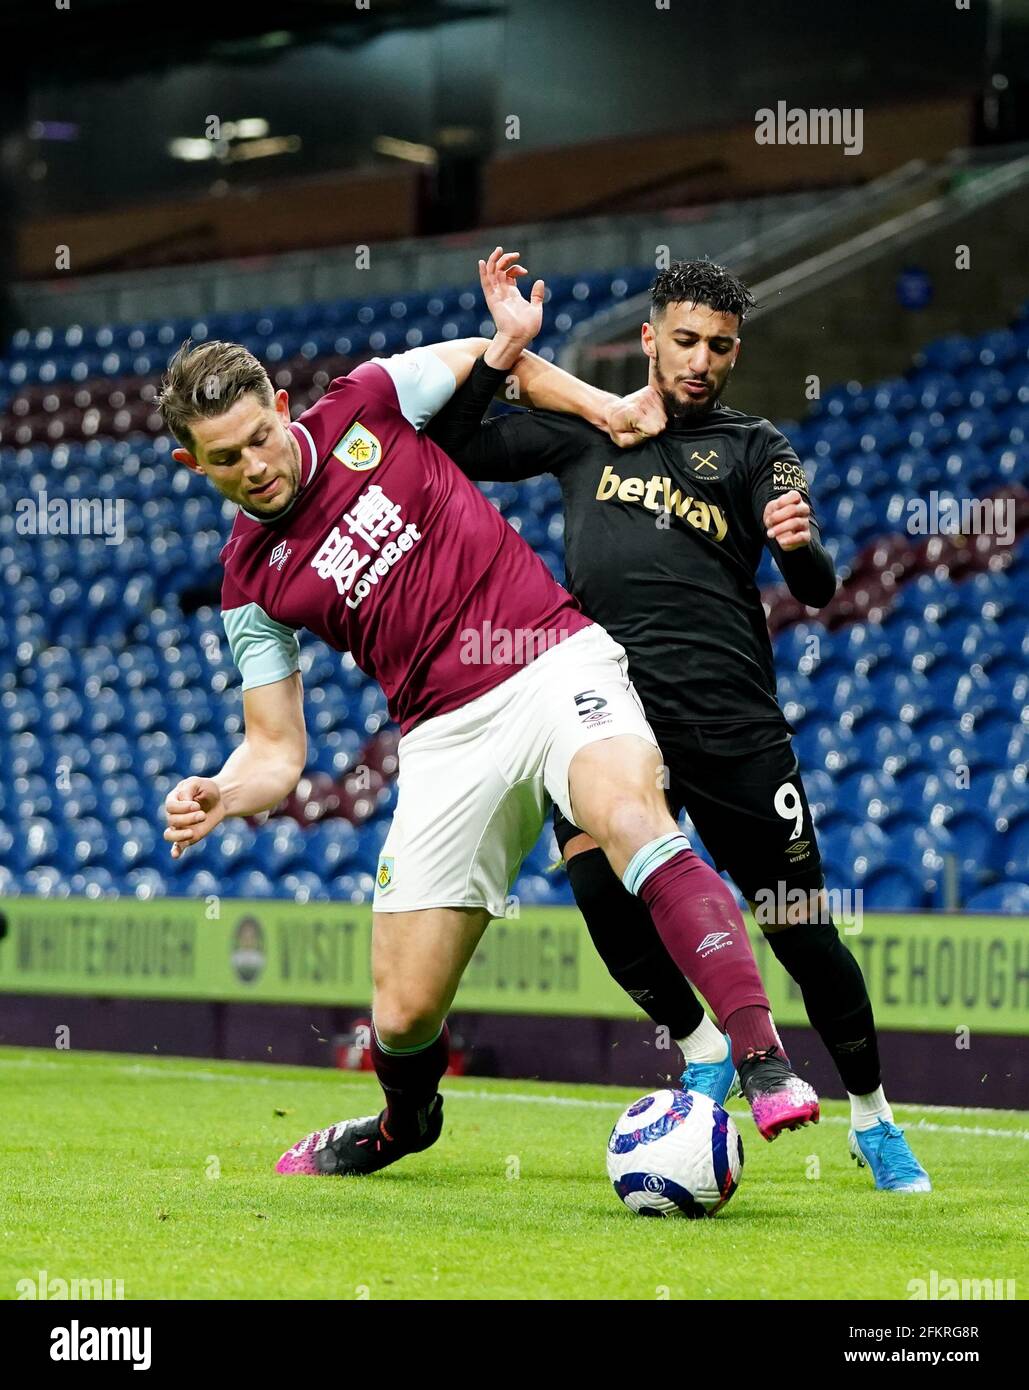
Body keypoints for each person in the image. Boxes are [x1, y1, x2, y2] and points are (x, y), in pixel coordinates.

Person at [158, 250, 818, 1178]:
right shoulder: (247, 582)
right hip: (440, 737)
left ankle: (762, 1059)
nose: (256, 465)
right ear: (193, 462)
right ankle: (402, 1124)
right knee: (402, 1015)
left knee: (631, 816)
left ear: (278, 404)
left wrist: (602, 405)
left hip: (551, 659)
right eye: (225, 459)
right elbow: (274, 751)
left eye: (261, 434)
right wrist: (225, 792)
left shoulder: (367, 399)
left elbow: (489, 354)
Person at [433, 256, 929, 1194]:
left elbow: (816, 588)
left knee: (799, 929)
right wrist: (504, 353)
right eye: (687, 340)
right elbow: (457, 443)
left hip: (732, 723)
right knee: (603, 901)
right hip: (607, 719)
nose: (702, 361)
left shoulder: (753, 447)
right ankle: (706, 1048)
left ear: (736, 352)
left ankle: (873, 1117)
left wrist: (801, 546)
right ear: (651, 337)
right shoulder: (589, 432)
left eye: (721, 346)